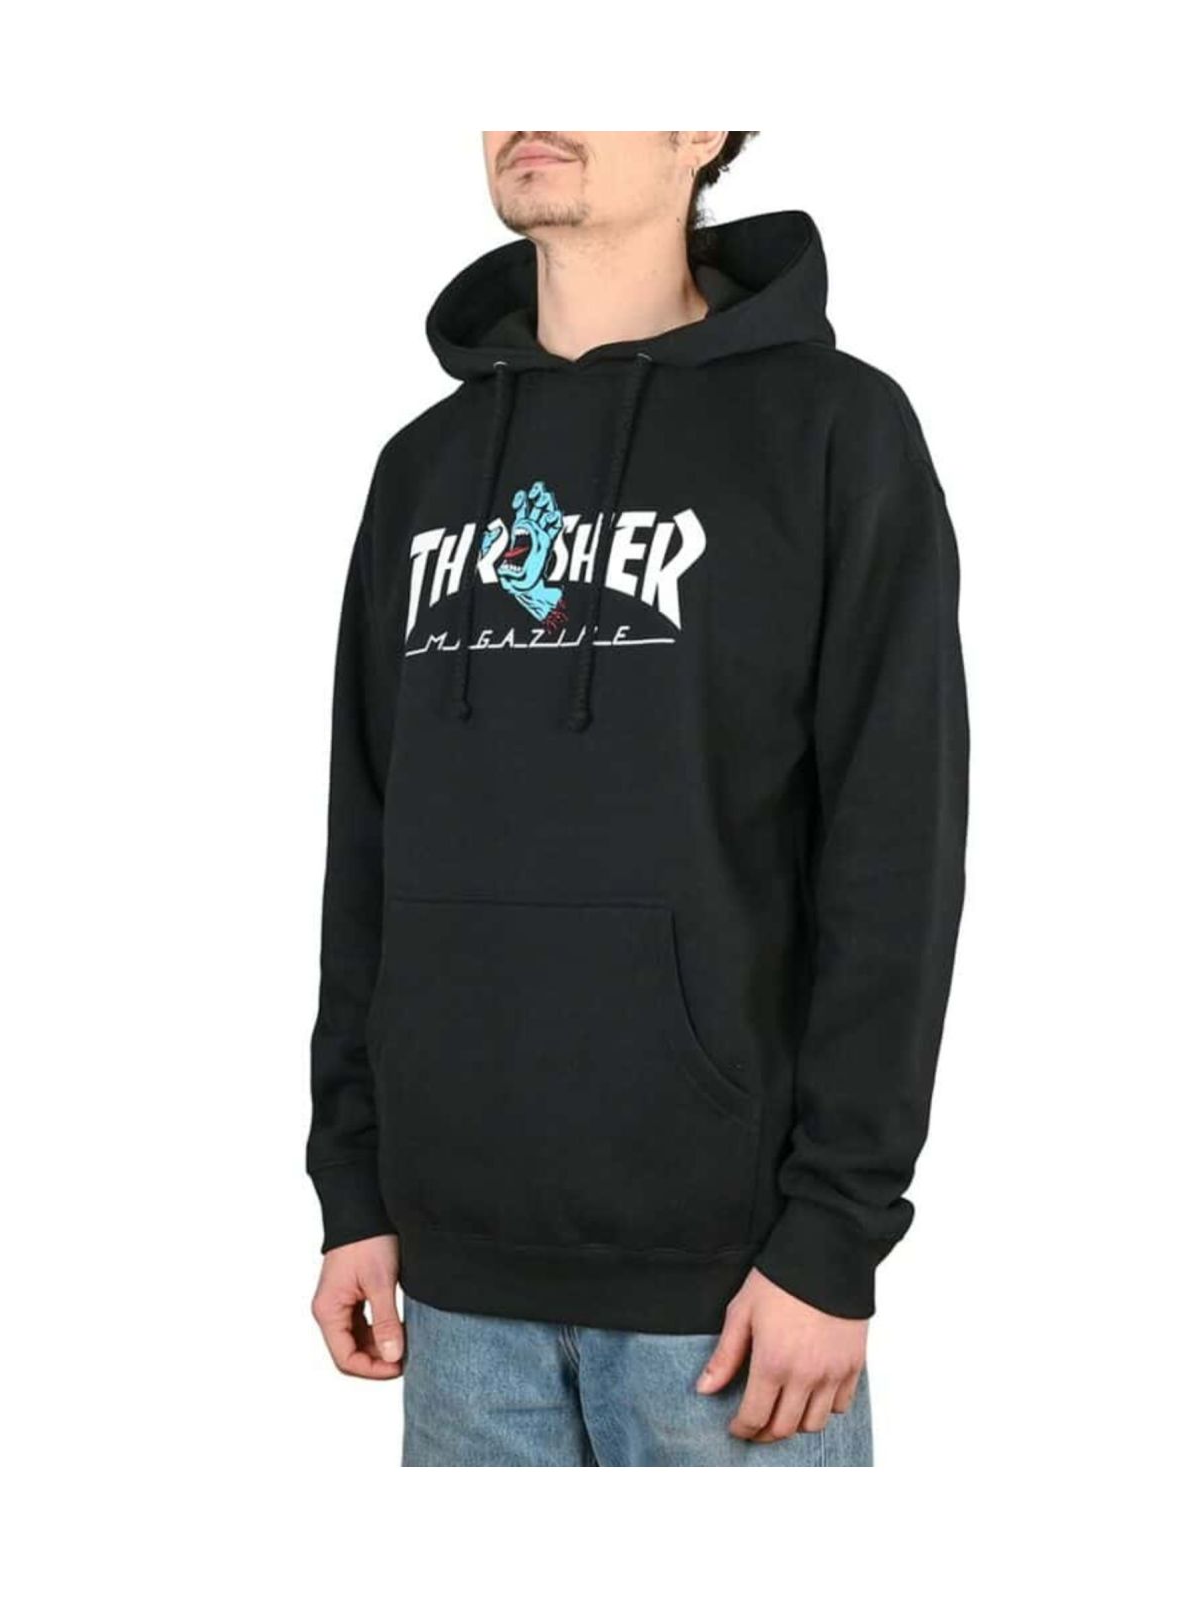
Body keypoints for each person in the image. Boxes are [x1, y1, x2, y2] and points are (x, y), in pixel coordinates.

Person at [307, 131, 968, 1467]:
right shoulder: (422, 467)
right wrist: (354, 1182)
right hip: (453, 1285)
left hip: (728, 1295)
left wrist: (835, 1233)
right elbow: (367, 840)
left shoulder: (836, 429)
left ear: (702, 126)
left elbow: (896, 852)